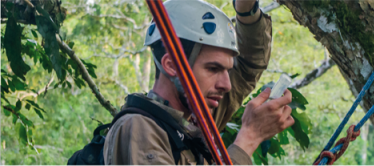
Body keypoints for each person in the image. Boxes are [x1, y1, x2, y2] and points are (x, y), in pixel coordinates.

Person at [103, 0, 294, 164]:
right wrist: (249, 137)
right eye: (213, 69)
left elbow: (247, 65)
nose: (226, 85)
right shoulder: (139, 127)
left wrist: (246, 10)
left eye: (227, 70)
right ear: (172, 66)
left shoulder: (195, 120)